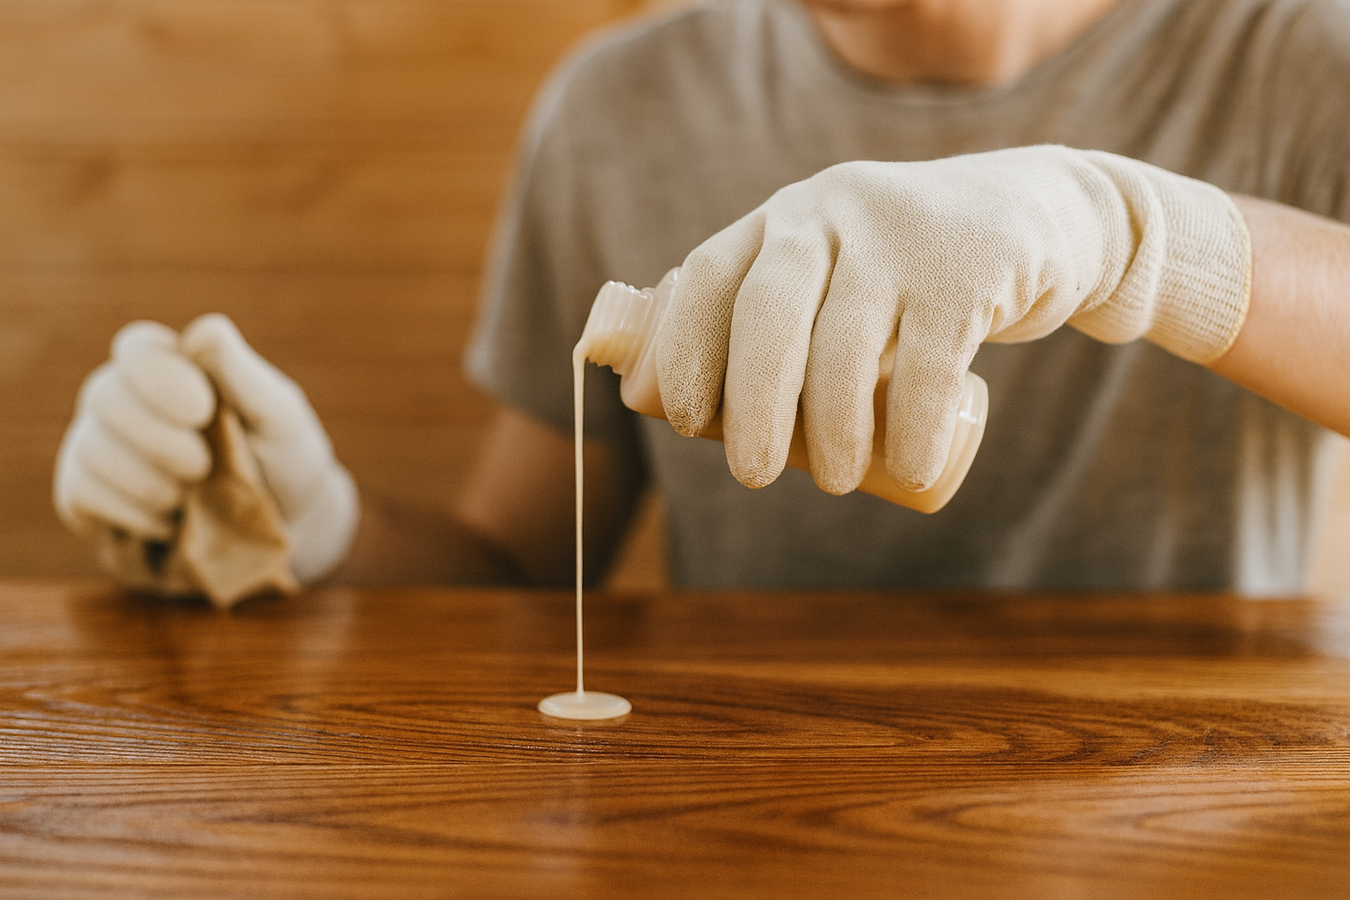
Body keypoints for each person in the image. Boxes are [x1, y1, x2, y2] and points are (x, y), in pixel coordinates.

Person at [54, 0, 1350, 598]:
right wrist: (315, 530)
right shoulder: (618, 102)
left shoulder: (1290, 53)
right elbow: (515, 563)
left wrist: (1130, 236)